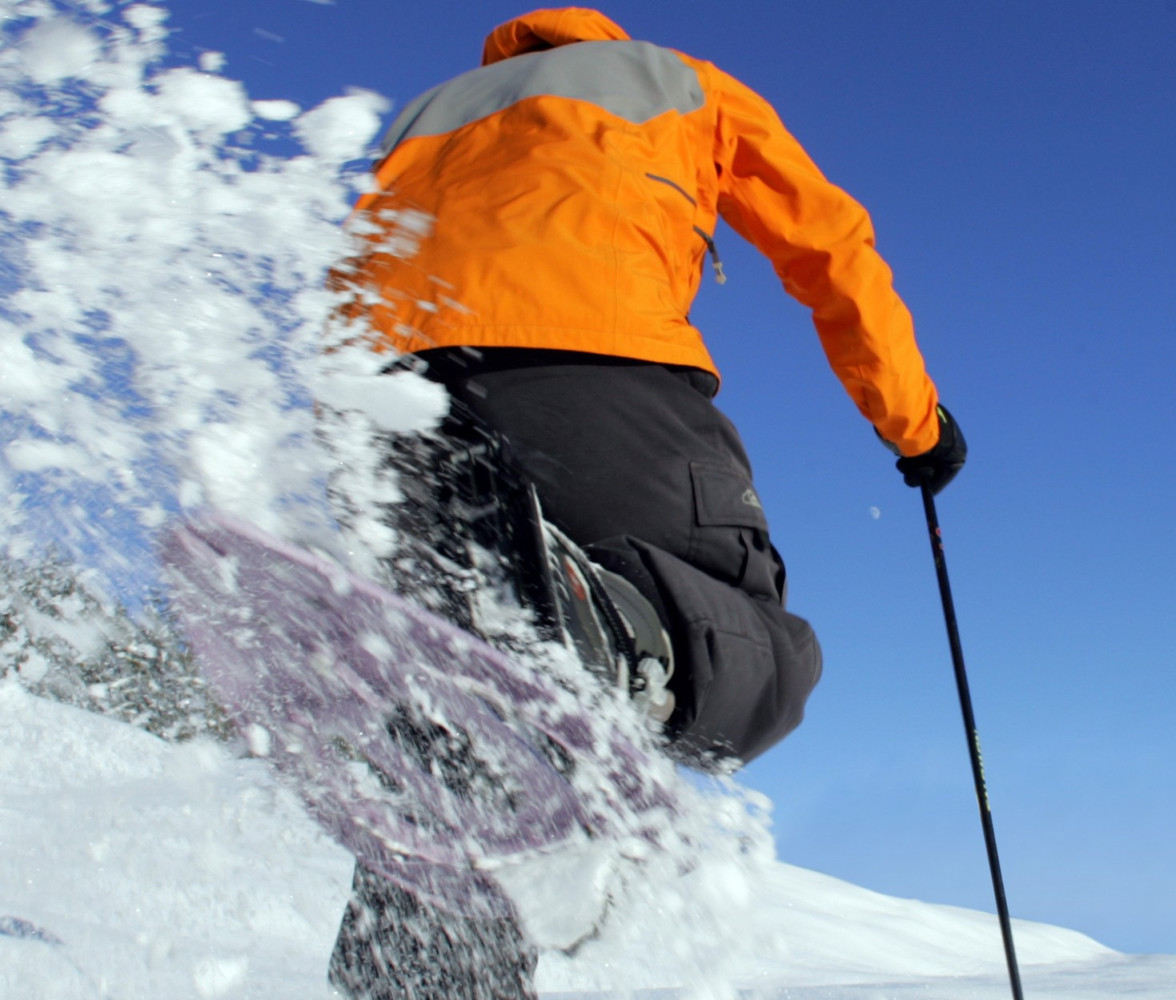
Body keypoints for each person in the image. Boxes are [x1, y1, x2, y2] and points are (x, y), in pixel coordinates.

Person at [325, 8, 967, 999]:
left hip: (391, 412)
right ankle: (630, 637)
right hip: (592, 370)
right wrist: (914, 426)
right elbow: (828, 247)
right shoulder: (674, 81)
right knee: (749, 652)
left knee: (457, 734)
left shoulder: (428, 113)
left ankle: (411, 976)